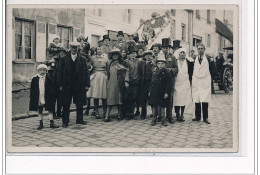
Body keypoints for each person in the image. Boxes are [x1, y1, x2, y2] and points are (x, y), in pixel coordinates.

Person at [56, 42, 90, 128]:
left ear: (78, 49)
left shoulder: (82, 59)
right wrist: (59, 84)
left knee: (80, 103)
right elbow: (59, 72)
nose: (74, 49)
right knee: (66, 103)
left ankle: (79, 119)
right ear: (70, 48)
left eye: (76, 48)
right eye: (72, 48)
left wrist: (87, 84)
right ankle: (65, 121)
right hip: (67, 84)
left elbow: (86, 72)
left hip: (79, 84)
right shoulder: (63, 59)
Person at [192, 43, 217, 124]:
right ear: (197, 49)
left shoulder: (209, 59)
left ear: (204, 49)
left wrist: (210, 79)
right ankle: (197, 116)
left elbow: (213, 70)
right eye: (198, 48)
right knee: (197, 99)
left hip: (205, 81)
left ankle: (205, 118)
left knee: (205, 99)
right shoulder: (194, 58)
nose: (200, 50)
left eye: (202, 48)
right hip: (196, 81)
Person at [29, 64, 59, 130]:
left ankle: (51, 122)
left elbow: (53, 88)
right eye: (40, 70)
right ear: (38, 71)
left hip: (48, 96)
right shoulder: (35, 79)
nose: (42, 72)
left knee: (50, 109)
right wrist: (32, 97)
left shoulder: (49, 78)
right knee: (40, 110)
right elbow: (32, 89)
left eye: (44, 70)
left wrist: (53, 95)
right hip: (39, 96)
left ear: (46, 71)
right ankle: (40, 123)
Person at [105, 48, 129, 122]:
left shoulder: (122, 63)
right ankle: (107, 115)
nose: (115, 56)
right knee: (110, 99)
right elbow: (107, 73)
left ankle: (119, 115)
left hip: (119, 83)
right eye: (113, 55)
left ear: (119, 55)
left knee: (119, 99)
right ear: (111, 56)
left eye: (116, 55)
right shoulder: (109, 63)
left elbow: (127, 71)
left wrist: (126, 80)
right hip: (111, 83)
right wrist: (107, 81)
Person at [47, 35, 67, 119]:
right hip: (53, 82)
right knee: (53, 98)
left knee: (60, 98)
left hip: (61, 83)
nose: (61, 54)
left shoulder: (64, 61)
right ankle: (54, 113)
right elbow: (49, 71)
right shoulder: (53, 61)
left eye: (62, 52)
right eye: (60, 52)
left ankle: (59, 112)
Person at [149, 53, 172, 126]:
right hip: (155, 91)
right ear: (157, 64)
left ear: (165, 64)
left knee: (162, 106)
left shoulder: (167, 73)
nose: (160, 65)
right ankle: (154, 119)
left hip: (163, 92)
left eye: (162, 64)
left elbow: (169, 84)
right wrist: (150, 91)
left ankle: (163, 120)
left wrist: (167, 93)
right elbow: (151, 82)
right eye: (159, 64)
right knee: (154, 105)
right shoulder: (155, 72)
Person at [87, 46, 109, 119]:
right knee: (95, 95)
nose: (99, 50)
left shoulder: (106, 59)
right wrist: (90, 67)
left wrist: (107, 77)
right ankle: (96, 112)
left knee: (104, 95)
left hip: (103, 76)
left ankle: (105, 112)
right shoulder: (92, 58)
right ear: (96, 50)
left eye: (101, 49)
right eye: (98, 49)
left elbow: (108, 69)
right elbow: (89, 67)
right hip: (95, 76)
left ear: (103, 50)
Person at [173, 48, 194, 122]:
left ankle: (182, 115)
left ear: (185, 54)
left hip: (185, 82)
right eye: (181, 53)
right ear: (178, 54)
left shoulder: (189, 62)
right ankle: (177, 114)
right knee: (177, 99)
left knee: (183, 99)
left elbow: (191, 72)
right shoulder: (175, 61)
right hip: (177, 82)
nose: (182, 54)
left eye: (183, 53)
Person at [161, 38, 178, 124]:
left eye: (167, 48)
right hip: (160, 82)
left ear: (169, 48)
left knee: (169, 99)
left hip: (169, 81)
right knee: (160, 98)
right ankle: (160, 116)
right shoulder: (159, 57)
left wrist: (170, 70)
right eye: (164, 48)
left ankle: (169, 116)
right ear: (162, 48)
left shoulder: (173, 57)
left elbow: (176, 69)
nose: (165, 49)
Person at [138, 50, 154, 119]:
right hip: (143, 83)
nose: (148, 57)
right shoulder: (141, 63)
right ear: (144, 56)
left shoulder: (153, 64)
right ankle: (143, 114)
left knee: (152, 98)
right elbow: (139, 72)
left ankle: (154, 113)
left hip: (151, 83)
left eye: (149, 55)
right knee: (143, 99)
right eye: (146, 55)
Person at [124, 46, 139, 120]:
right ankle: (127, 114)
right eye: (132, 53)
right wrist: (126, 81)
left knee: (134, 98)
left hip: (136, 82)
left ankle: (132, 113)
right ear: (129, 54)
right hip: (129, 81)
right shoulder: (126, 62)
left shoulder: (138, 61)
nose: (133, 55)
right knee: (128, 98)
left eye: (135, 53)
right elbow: (126, 72)